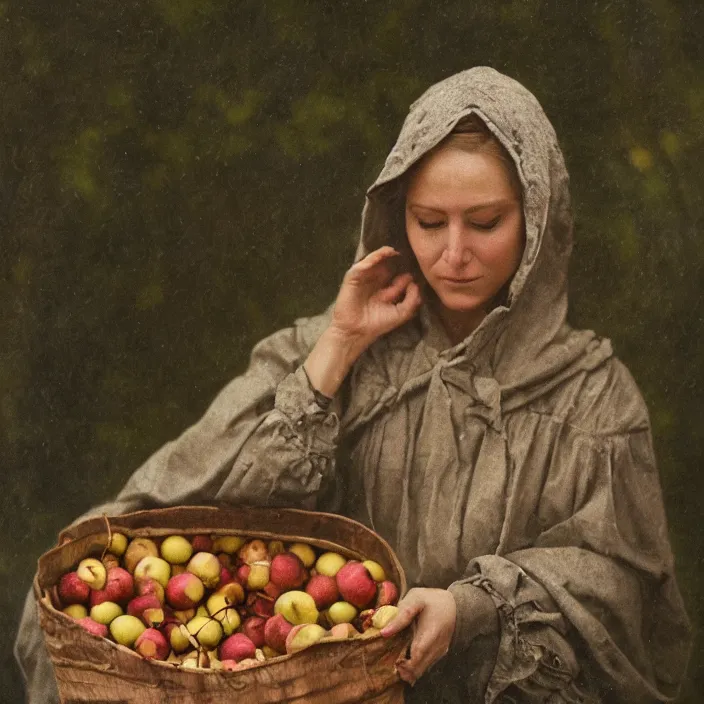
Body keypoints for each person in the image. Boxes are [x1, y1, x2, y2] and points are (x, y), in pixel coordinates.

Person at [15, 67, 691, 703]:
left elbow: (625, 595)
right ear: (399, 216)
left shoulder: (595, 398)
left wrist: (472, 606)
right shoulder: (323, 348)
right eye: (430, 222)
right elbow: (193, 514)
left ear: (538, 222)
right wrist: (336, 350)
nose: (453, 254)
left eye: (485, 223)